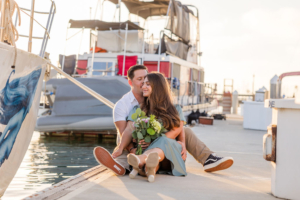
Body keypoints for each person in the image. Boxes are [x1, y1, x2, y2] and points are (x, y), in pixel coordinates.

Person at [93, 65, 233, 176]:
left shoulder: (174, 108)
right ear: (131, 82)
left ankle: (208, 159)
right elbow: (126, 131)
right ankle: (126, 164)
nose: (143, 85)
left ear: (157, 87)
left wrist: (182, 144)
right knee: (127, 136)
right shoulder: (128, 106)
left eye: (147, 82)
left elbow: (178, 129)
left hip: (166, 153)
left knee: (177, 135)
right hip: (137, 146)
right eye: (140, 80)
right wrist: (126, 148)